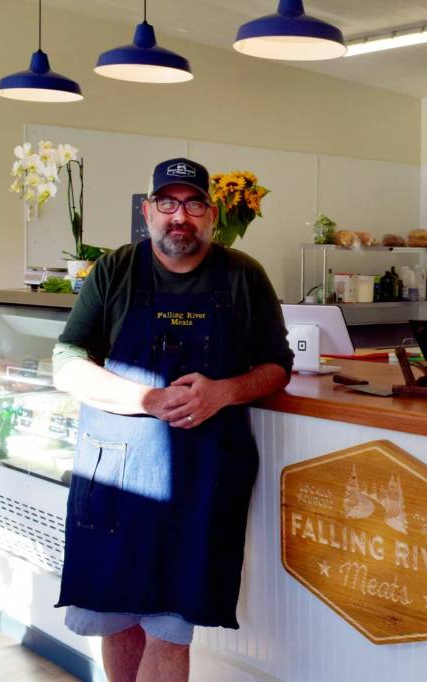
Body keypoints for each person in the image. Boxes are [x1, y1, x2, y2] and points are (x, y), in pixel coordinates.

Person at [52, 157, 293, 681]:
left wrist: (226, 391)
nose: (178, 215)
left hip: (201, 476)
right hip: (115, 475)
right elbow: (66, 363)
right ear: (148, 211)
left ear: (210, 214)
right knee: (116, 616)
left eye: (192, 204)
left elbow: (278, 368)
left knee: (171, 627)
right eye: (167, 203)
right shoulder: (114, 270)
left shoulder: (242, 275)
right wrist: (146, 399)